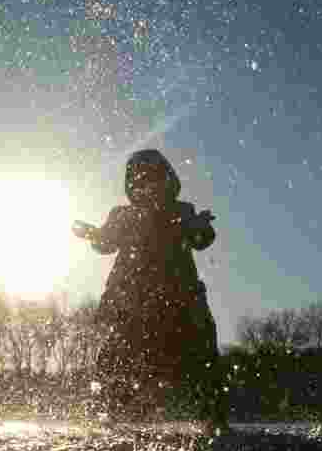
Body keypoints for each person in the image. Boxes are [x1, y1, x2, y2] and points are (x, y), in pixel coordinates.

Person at [72, 148, 225, 427]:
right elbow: (106, 242)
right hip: (132, 299)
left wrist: (202, 226)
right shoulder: (123, 215)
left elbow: (201, 239)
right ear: (133, 188)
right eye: (140, 182)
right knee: (116, 356)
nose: (148, 187)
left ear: (168, 181)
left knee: (202, 352)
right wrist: (92, 233)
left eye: (155, 180)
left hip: (180, 297)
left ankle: (212, 417)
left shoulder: (181, 210)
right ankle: (108, 416)